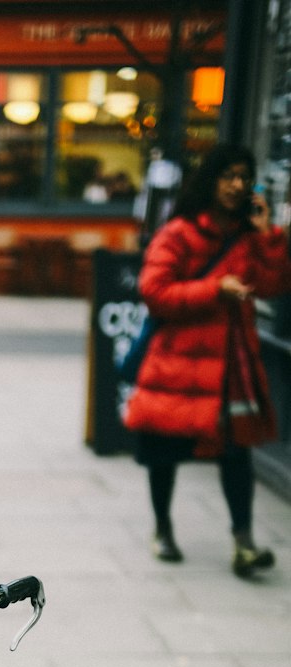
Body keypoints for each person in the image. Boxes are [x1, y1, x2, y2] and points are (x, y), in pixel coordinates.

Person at [125, 143, 291, 577]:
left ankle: (244, 543)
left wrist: (267, 234)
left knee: (238, 453)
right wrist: (214, 290)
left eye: (244, 177)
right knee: (165, 452)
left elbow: (272, 285)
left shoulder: (247, 234)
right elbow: (154, 291)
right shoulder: (180, 232)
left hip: (230, 368)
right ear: (211, 180)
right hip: (178, 364)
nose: (237, 185)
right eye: (228, 176)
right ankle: (162, 528)